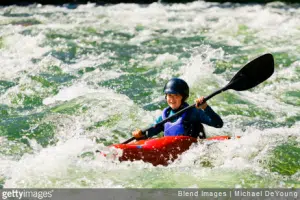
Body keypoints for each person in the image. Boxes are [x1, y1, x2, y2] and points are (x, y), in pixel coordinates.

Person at [132, 78, 223, 139]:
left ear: (183, 97)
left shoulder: (193, 112)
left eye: (176, 95)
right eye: (169, 95)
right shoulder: (165, 116)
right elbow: (150, 132)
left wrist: (205, 107)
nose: (172, 99)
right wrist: (140, 135)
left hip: (193, 151)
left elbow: (218, 124)